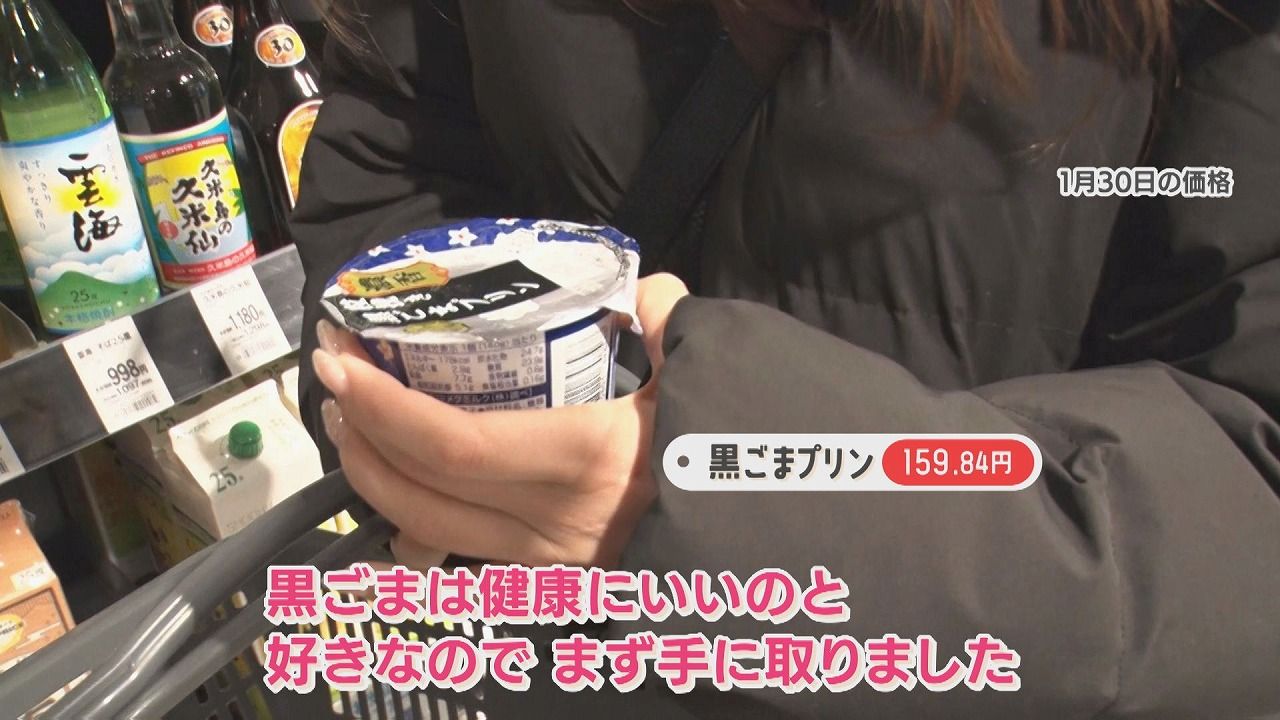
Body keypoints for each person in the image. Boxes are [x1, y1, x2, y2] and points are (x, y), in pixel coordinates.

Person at [290, 1, 1280, 717]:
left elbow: (1248, 464)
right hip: (556, 661)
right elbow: (404, 134)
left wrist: (752, 494)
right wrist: (416, 397)